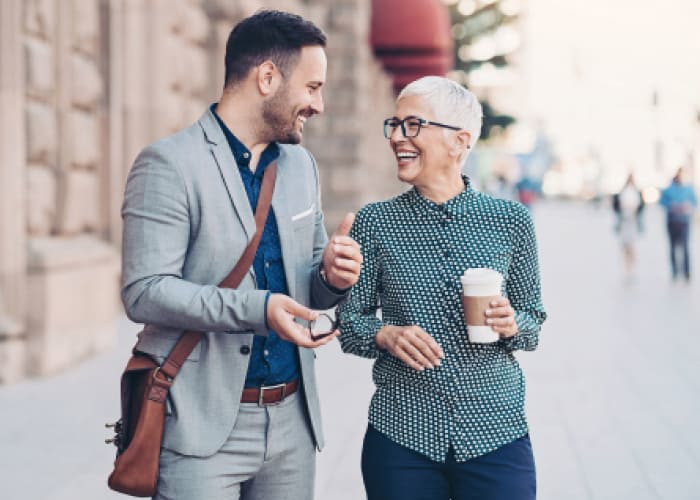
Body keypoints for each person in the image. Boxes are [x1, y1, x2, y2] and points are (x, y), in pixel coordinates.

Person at [120, 10, 362, 500]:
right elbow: (144, 292)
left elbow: (310, 286)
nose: (318, 104)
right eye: (312, 87)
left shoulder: (301, 165)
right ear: (267, 77)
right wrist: (260, 309)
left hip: (293, 424)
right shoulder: (169, 164)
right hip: (200, 429)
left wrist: (333, 277)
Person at [337, 76, 547, 500]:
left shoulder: (512, 221)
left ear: (459, 141)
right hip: (401, 436)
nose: (397, 137)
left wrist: (512, 323)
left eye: (412, 125)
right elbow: (349, 322)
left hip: (495, 431)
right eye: (393, 125)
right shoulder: (375, 222)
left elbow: (534, 323)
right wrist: (383, 334)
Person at [659, 168, 697, 282]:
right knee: (672, 247)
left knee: (685, 247)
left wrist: (688, 206)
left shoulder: (689, 188)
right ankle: (674, 271)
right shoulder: (669, 189)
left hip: (684, 221)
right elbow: (662, 202)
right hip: (672, 221)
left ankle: (686, 272)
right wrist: (672, 205)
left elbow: (695, 202)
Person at [612, 173, 644, 278]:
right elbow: (616, 206)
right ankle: (626, 267)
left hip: (633, 222)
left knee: (632, 246)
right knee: (625, 246)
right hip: (624, 222)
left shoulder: (636, 192)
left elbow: (641, 207)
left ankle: (632, 266)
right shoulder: (622, 192)